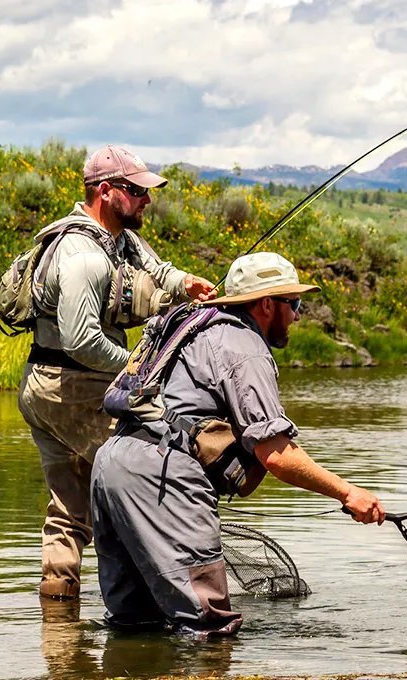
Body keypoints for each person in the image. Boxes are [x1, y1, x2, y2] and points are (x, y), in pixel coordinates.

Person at [90, 251, 386, 636]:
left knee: (134, 626)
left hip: (113, 461)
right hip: (162, 476)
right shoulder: (243, 344)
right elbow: (276, 454)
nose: (297, 314)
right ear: (266, 304)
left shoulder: (193, 325)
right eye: (293, 303)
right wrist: (348, 493)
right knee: (207, 628)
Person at [17, 144, 216, 601]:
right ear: (106, 191)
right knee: (149, 469)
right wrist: (137, 367)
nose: (147, 200)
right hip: (68, 386)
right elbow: (81, 340)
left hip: (46, 385)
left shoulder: (119, 237)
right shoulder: (83, 255)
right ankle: (159, 599)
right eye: (137, 191)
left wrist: (186, 284)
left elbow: (157, 269)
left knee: (69, 510)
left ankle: (59, 629)